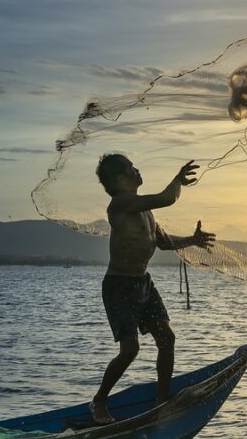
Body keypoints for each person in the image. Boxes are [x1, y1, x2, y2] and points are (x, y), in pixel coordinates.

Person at [90, 153, 216, 424]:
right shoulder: (121, 204)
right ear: (121, 179)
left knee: (166, 339)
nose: (138, 170)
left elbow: (164, 242)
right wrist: (178, 180)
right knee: (130, 350)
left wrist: (192, 240)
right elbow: (167, 198)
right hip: (119, 285)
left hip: (143, 283)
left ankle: (161, 400)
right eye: (132, 168)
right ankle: (99, 401)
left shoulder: (144, 211)